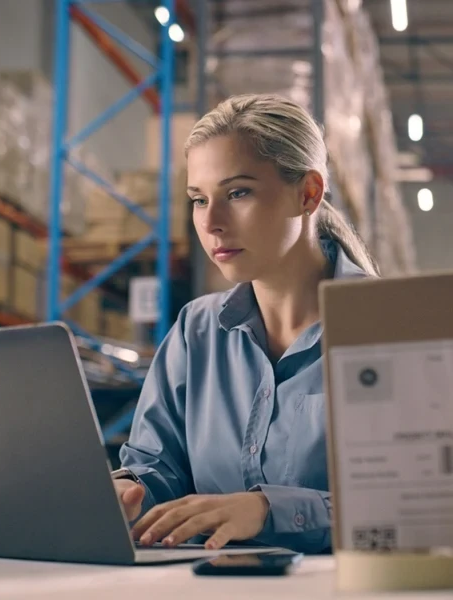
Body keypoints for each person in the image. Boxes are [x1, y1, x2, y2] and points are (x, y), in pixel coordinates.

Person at [111, 94, 379, 554]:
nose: (211, 223)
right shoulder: (196, 333)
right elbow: (158, 467)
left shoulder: (388, 327)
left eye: (238, 193)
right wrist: (130, 491)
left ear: (308, 193)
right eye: (199, 199)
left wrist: (267, 511)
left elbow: (410, 505)